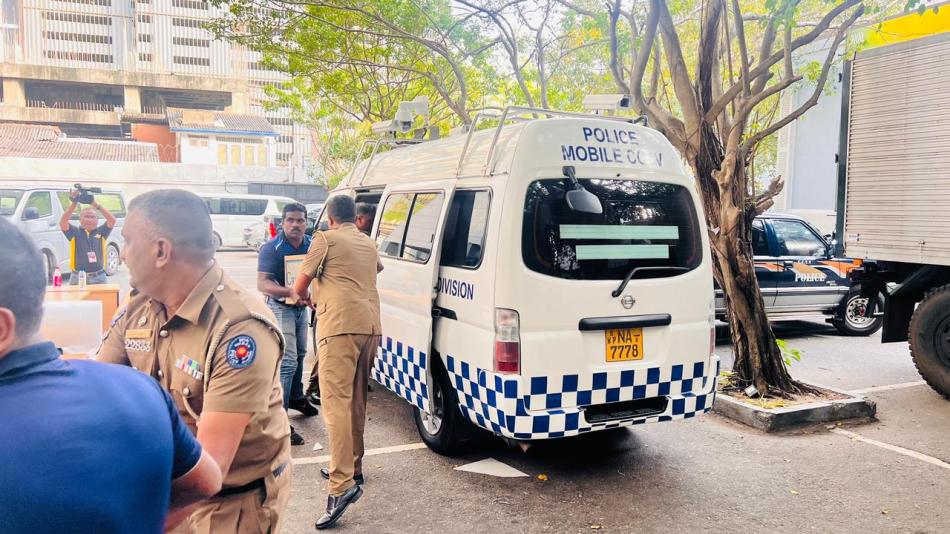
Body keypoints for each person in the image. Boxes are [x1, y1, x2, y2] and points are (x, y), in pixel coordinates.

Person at [0, 217, 222, 534]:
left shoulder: (228, 321)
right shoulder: (141, 390)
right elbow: (205, 481)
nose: (125, 254)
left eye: (130, 241)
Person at [96, 189, 292, 534]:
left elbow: (210, 470)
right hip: (166, 487)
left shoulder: (239, 329)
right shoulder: (140, 306)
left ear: (161, 251)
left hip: (228, 503)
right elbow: (98, 392)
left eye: (127, 241)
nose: (122, 254)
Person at [293, 195, 382, 530]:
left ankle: (341, 484)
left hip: (339, 327)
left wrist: (307, 296)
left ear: (330, 218)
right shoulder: (368, 242)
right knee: (357, 401)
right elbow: (374, 271)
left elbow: (299, 285)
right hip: (370, 325)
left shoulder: (325, 239)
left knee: (335, 407)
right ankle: (353, 467)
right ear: (353, 217)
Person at [257, 202, 319, 447]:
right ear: (282, 223)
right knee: (288, 361)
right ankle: (279, 420)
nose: (295, 224)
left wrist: (310, 295)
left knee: (301, 353)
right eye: (291, 220)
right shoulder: (271, 248)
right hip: (281, 307)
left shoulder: (311, 245)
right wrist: (291, 292)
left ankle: (295, 397)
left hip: (301, 308)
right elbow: (263, 284)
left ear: (306, 222)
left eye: (300, 220)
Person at [59, 187, 117, 285]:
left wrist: (94, 204)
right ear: (80, 219)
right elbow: (63, 222)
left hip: (99, 277)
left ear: (97, 220)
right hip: (77, 277)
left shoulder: (101, 232)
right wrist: (74, 203)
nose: (89, 219)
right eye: (86, 216)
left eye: (92, 217)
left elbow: (112, 220)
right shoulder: (75, 232)